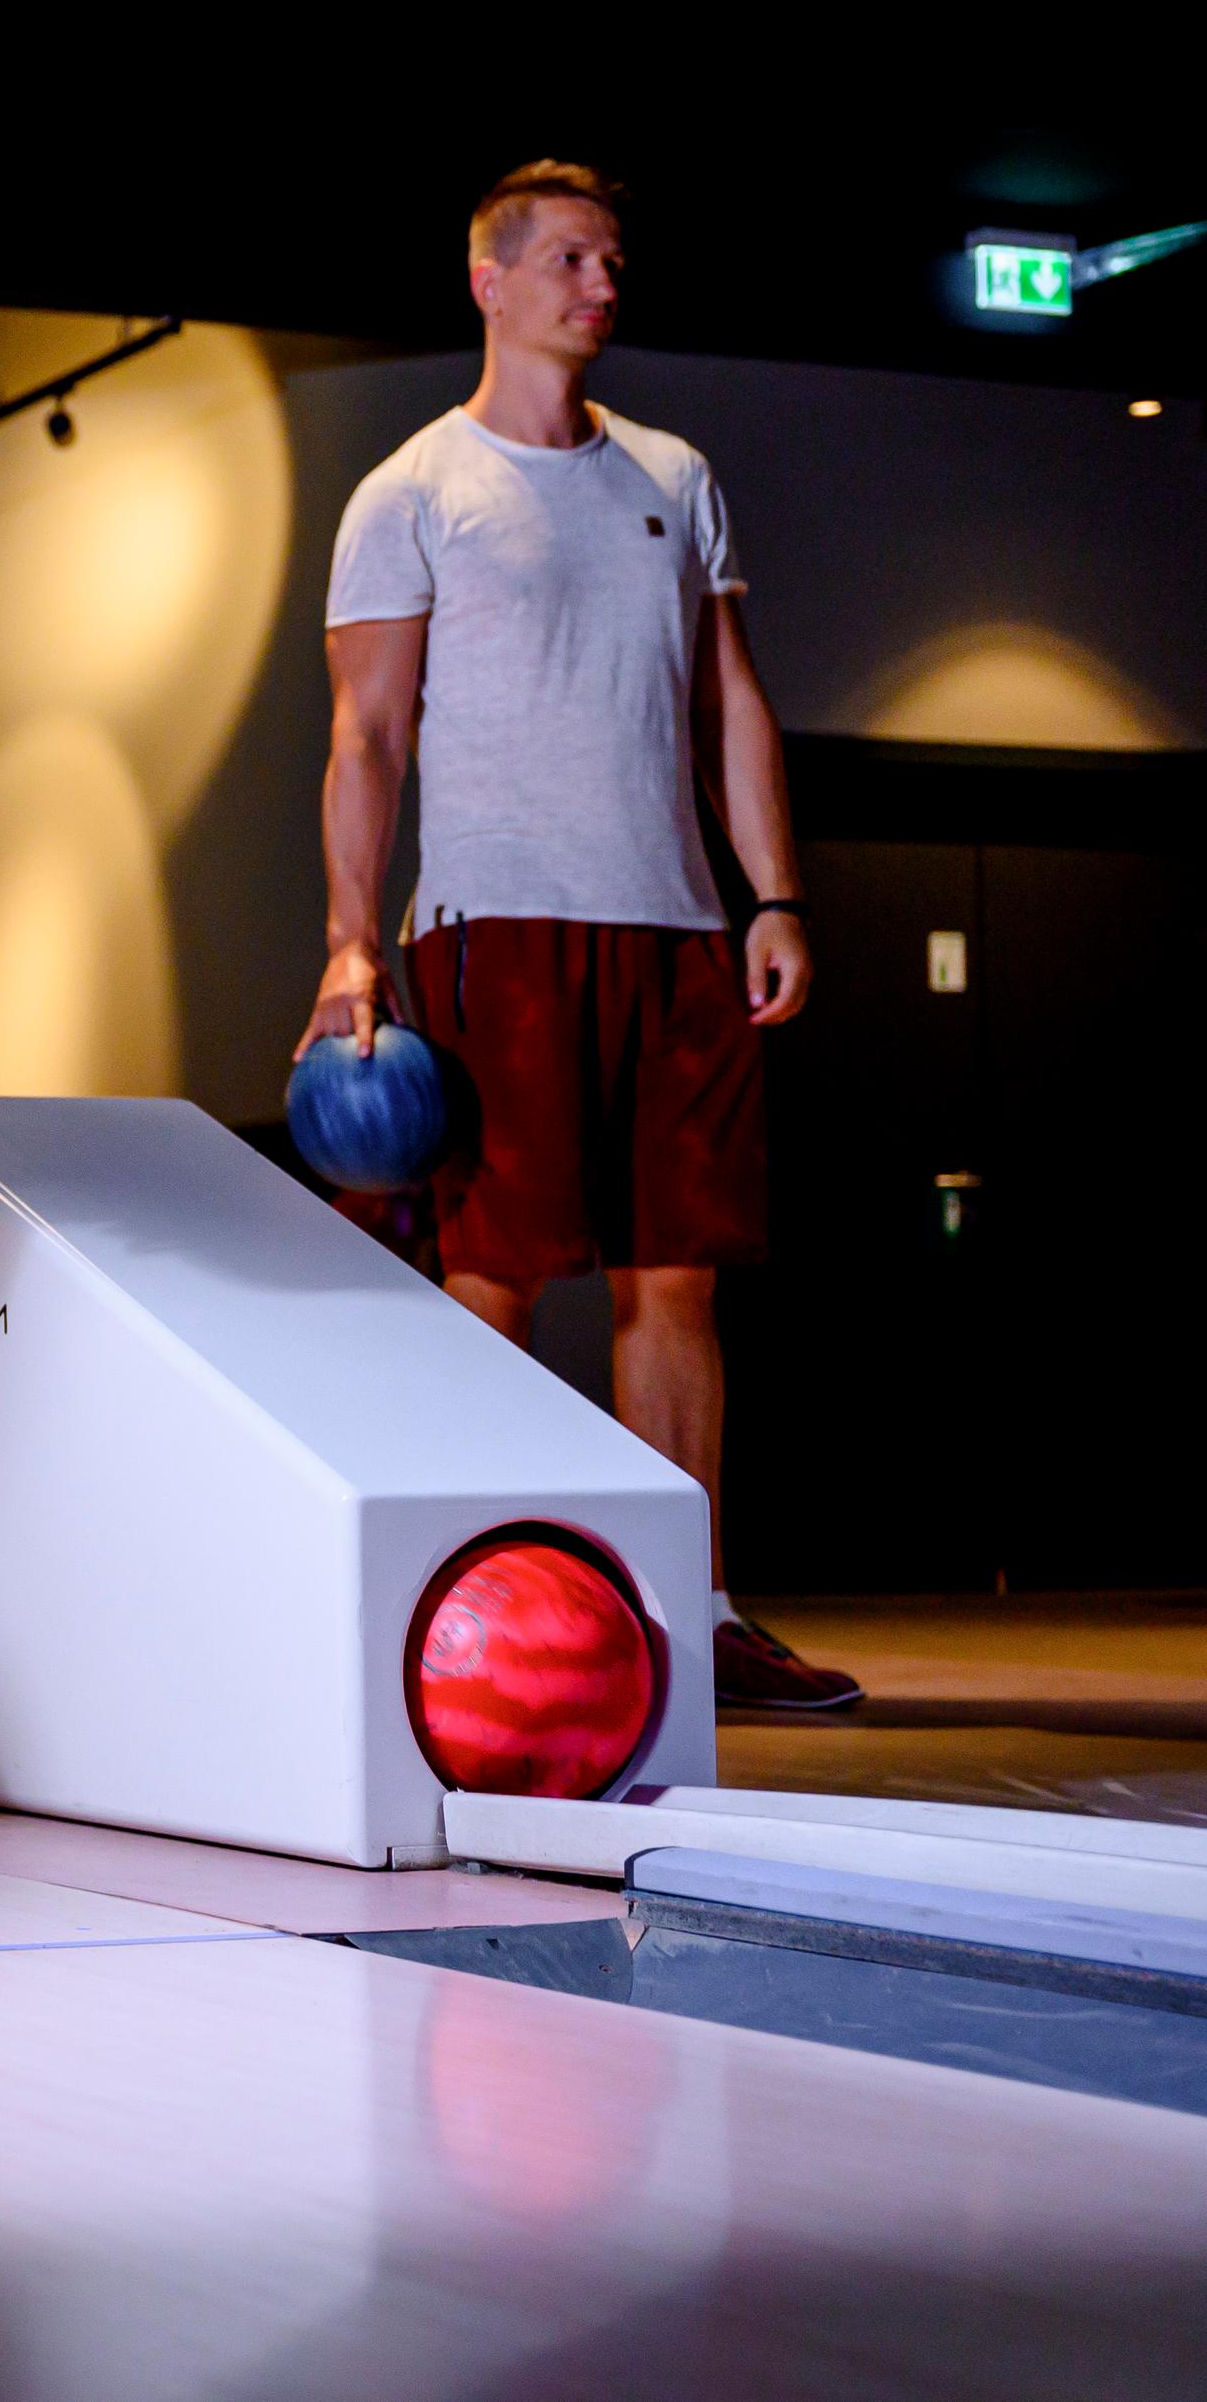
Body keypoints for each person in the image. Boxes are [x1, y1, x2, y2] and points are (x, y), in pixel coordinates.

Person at [303, 159, 850, 1711]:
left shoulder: (673, 470)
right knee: (494, 1277)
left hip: (678, 927)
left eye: (613, 260)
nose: (599, 284)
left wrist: (776, 893)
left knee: (676, 1282)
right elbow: (365, 738)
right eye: (567, 259)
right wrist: (354, 938)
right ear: (489, 280)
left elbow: (730, 697)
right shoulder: (413, 488)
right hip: (498, 928)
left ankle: (695, 1606)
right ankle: (464, 1602)